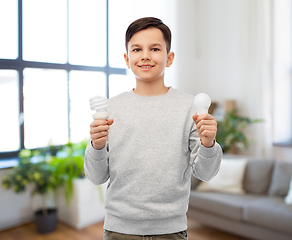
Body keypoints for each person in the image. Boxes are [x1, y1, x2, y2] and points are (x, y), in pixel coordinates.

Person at [84, 17, 222, 240]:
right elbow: (96, 177)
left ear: (169, 58)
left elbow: (206, 173)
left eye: (155, 48)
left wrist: (209, 144)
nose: (145, 55)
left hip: (171, 230)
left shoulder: (191, 107)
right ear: (127, 59)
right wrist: (96, 147)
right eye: (137, 49)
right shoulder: (110, 108)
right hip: (119, 230)